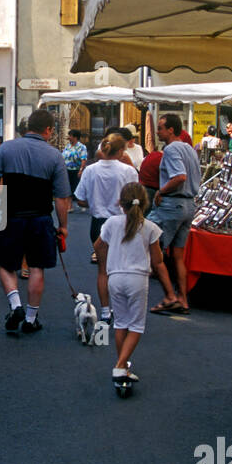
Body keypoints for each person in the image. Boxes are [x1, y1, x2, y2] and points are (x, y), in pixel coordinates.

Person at [0, 108, 70, 334]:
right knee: (36, 267)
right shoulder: (54, 156)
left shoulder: (6, 148)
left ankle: (15, 305)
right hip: (41, 218)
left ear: (28, 127)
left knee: (6, 264)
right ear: (49, 130)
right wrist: (63, 226)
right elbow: (62, 197)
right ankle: (31, 319)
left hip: (11, 216)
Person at [94, 182, 178, 383]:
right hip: (138, 279)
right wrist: (169, 290)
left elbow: (98, 245)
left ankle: (122, 364)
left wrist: (105, 263)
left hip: (115, 277)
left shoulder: (112, 223)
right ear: (146, 203)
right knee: (137, 325)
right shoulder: (150, 228)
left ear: (120, 203)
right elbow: (158, 261)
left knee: (121, 323)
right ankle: (120, 365)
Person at [148, 113, 200, 315]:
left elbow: (179, 176)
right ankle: (182, 299)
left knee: (154, 250)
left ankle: (170, 296)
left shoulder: (171, 149)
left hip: (173, 205)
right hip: (188, 206)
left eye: (160, 128)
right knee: (178, 256)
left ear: (171, 130)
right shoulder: (190, 149)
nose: (158, 131)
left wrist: (162, 190)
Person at [74, 133, 139, 284]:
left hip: (97, 223)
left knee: (103, 271)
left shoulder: (90, 170)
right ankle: (119, 305)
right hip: (121, 223)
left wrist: (96, 202)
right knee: (121, 268)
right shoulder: (128, 171)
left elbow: (80, 200)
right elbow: (135, 198)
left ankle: (104, 307)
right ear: (121, 151)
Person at [62, 129, 88, 196]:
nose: (68, 137)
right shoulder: (68, 146)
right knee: (67, 189)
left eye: (70, 136)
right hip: (66, 170)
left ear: (75, 137)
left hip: (75, 170)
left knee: (74, 189)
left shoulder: (82, 147)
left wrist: (81, 170)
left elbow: (84, 159)